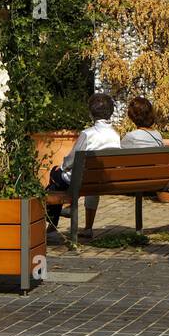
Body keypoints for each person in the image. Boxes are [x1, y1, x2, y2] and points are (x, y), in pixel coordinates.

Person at [46, 93, 119, 238]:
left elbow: (72, 159)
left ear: (91, 113)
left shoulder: (88, 134)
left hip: (81, 181)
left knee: (55, 175)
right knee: (90, 185)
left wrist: (62, 167)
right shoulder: (115, 135)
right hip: (102, 180)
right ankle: (87, 227)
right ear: (110, 113)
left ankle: (53, 220)